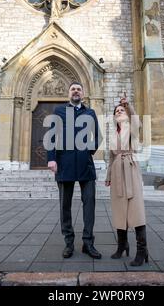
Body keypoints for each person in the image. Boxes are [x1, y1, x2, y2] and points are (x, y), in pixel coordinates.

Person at [47, 82, 102, 259]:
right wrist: (52, 159)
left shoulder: (90, 113)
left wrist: (88, 151)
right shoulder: (59, 111)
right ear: (68, 93)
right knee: (65, 206)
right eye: (73, 89)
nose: (76, 91)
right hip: (65, 164)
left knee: (90, 204)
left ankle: (88, 243)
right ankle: (69, 243)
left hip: (86, 165)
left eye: (79, 89)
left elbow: (98, 136)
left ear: (83, 93)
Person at [105, 96, 148, 266]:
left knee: (136, 210)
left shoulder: (132, 127)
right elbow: (110, 157)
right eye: (117, 111)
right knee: (119, 210)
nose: (119, 112)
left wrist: (128, 106)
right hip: (116, 171)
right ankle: (122, 245)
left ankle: (142, 250)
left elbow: (138, 123)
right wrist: (108, 177)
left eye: (121, 110)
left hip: (130, 168)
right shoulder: (112, 134)